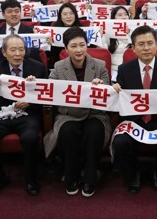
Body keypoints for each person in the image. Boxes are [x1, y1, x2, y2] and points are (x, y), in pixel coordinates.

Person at [0, 34, 47, 198]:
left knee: (30, 138)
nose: (17, 54)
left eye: (21, 49)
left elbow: (46, 95)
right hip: (3, 115)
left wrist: (30, 99)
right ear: (4, 52)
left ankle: (31, 180)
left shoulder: (37, 67)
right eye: (13, 50)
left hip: (28, 115)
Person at [112, 25, 157, 194]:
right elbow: (119, 97)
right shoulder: (124, 69)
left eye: (150, 43)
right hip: (134, 121)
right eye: (141, 44)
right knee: (120, 142)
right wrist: (115, 89)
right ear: (134, 48)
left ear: (156, 45)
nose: (146, 48)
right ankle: (134, 174)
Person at [43, 27, 111, 197]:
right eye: (73, 46)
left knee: (94, 131)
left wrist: (101, 87)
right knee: (67, 131)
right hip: (69, 114)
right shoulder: (58, 67)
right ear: (66, 49)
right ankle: (71, 176)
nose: (79, 50)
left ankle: (90, 178)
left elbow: (108, 94)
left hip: (94, 113)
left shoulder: (99, 65)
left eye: (82, 45)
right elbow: (50, 91)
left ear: (87, 45)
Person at [101, 6, 131, 81]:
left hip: (130, 68)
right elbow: (103, 52)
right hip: (113, 68)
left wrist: (130, 35)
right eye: (120, 15)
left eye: (125, 14)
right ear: (113, 18)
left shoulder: (134, 31)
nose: (124, 17)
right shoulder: (107, 33)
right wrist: (100, 36)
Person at [49, 3, 83, 68]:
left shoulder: (84, 29)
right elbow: (52, 56)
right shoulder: (54, 31)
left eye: (71, 13)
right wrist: (49, 45)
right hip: (59, 64)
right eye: (65, 14)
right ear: (60, 17)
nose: (68, 16)